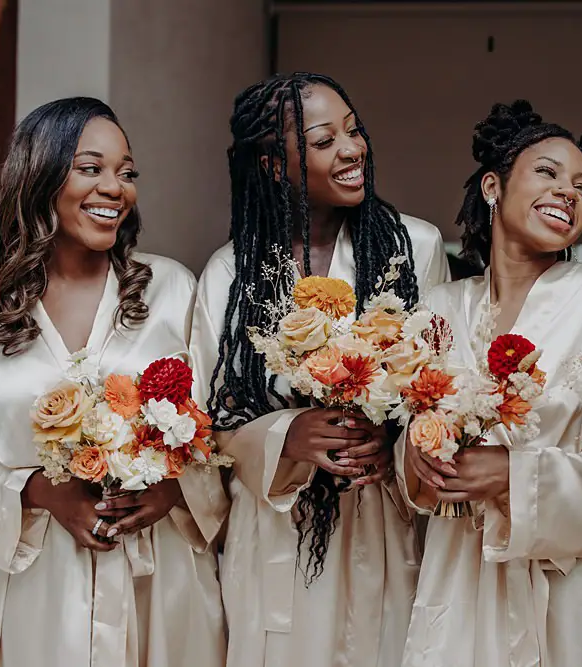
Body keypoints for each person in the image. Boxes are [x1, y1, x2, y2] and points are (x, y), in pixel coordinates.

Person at [0, 97, 226, 667]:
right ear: (39, 176)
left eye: (126, 173)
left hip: (161, 574)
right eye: (91, 168)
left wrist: (174, 491)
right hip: (41, 576)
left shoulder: (172, 290)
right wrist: (43, 492)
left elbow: (222, 424)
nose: (114, 188)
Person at [190, 72, 449, 667]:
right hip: (277, 537)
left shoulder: (417, 247)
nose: (353, 149)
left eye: (354, 131)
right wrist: (288, 438)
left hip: (380, 521)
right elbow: (204, 426)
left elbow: (441, 385)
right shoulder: (230, 273)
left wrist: (395, 444)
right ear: (277, 166)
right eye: (325, 140)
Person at [398, 100, 582, 667]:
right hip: (458, 576)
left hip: (571, 584)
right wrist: (418, 460)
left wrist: (516, 476)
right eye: (548, 173)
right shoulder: (437, 309)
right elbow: (410, 437)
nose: (569, 193)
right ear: (493, 185)